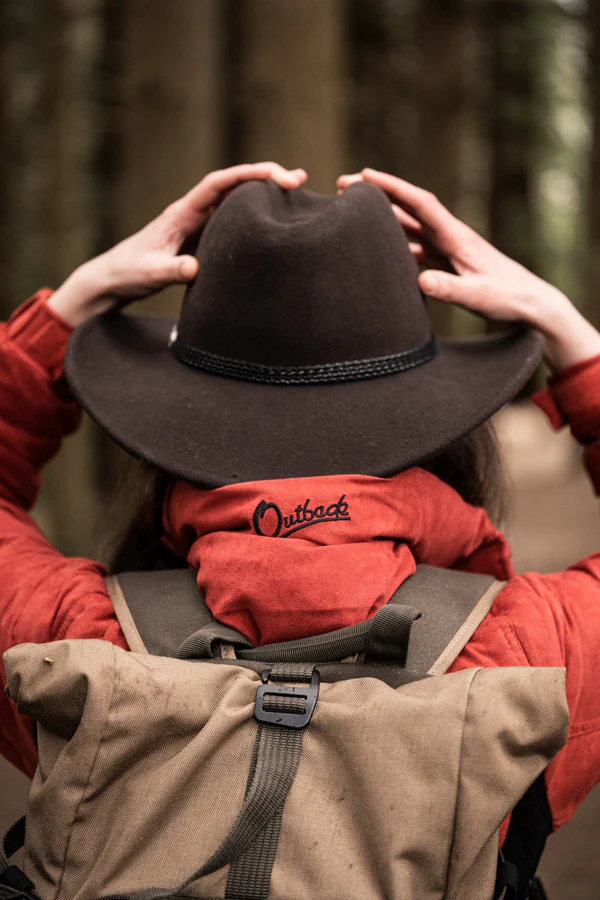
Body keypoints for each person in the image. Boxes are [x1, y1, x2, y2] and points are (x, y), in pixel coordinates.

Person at [0, 160, 599, 851]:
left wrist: (65, 310)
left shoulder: (74, 648)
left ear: (166, 429)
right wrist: (567, 332)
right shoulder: (530, 656)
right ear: (445, 430)